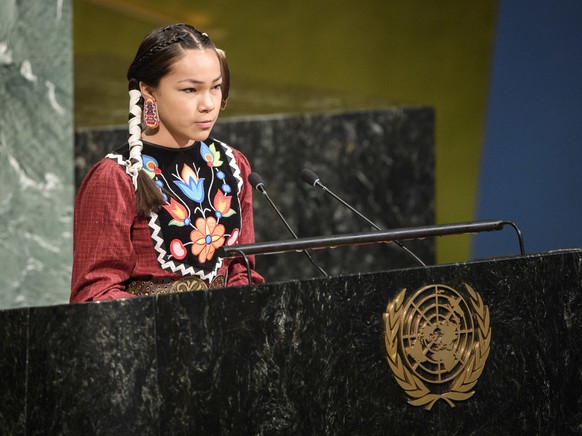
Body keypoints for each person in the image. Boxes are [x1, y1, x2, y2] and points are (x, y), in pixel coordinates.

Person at [70, 24, 264, 303]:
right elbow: (95, 294)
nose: (208, 103)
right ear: (149, 91)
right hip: (151, 340)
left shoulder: (232, 164)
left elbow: (241, 271)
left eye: (216, 87)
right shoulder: (116, 177)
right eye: (190, 90)